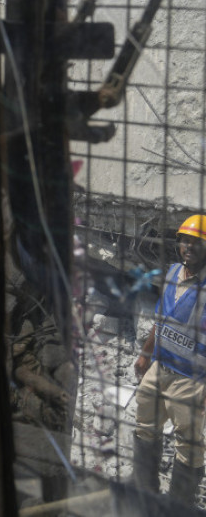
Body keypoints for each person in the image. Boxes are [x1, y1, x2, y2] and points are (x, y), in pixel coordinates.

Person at [132, 214, 206, 504]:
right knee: (144, 427)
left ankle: (179, 504)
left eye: (196, 242)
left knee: (188, 447)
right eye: (184, 241)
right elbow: (160, 319)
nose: (188, 247)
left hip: (191, 381)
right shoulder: (174, 272)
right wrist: (145, 354)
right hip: (159, 368)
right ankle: (145, 490)